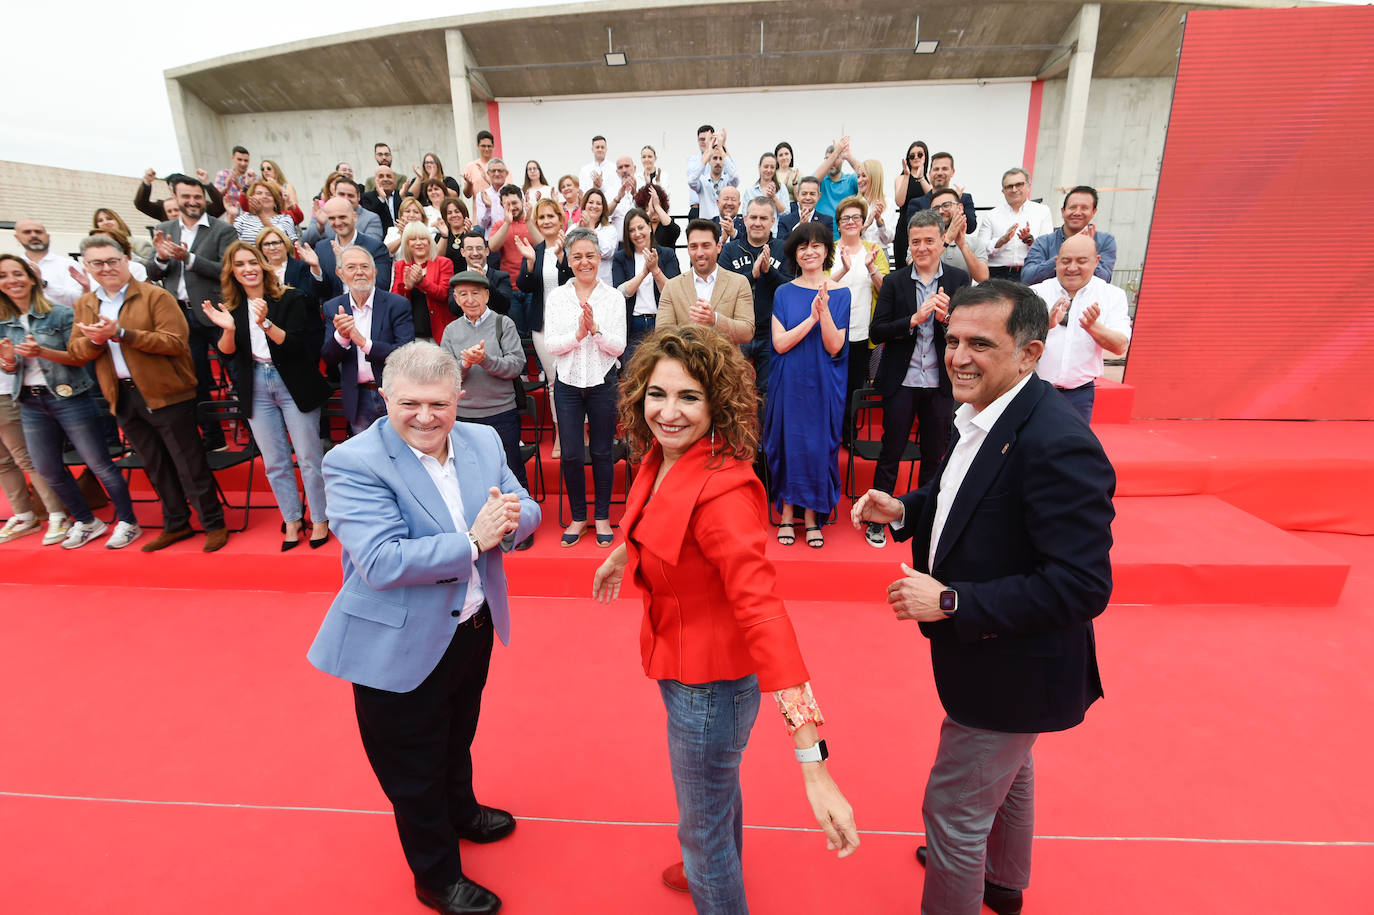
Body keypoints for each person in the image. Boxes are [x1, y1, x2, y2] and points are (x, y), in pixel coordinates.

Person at [851, 279, 1115, 915]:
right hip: (998, 670)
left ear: (1029, 354)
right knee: (1011, 771)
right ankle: (1001, 882)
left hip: (1015, 666)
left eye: (979, 344)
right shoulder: (982, 412)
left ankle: (974, 875)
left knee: (953, 811)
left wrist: (950, 603)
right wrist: (906, 509)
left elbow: (1082, 586)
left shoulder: (1058, 442)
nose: (958, 357)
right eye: (952, 341)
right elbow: (963, 499)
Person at [592, 325, 859, 911]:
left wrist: (812, 762)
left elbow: (764, 615)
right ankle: (712, 858)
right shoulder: (664, 457)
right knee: (714, 795)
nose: (669, 412)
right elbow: (656, 518)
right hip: (678, 661)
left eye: (689, 397)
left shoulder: (724, 494)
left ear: (718, 403)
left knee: (702, 825)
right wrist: (623, 553)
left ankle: (713, 873)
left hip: (709, 688)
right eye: (657, 394)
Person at [307, 340, 540, 915]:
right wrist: (472, 541)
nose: (426, 417)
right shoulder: (353, 462)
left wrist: (509, 521)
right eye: (409, 403)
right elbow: (382, 562)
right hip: (395, 641)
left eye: (439, 403)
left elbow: (525, 507)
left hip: (472, 625)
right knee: (411, 768)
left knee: (458, 732)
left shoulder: (482, 439)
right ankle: (436, 877)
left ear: (459, 397)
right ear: (383, 395)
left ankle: (460, 810)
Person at [67, 235, 229, 553]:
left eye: (112, 260)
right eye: (97, 263)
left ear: (126, 260)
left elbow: (174, 341)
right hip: (123, 394)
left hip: (167, 392)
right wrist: (96, 341)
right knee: (154, 464)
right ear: (86, 266)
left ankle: (213, 522)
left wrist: (122, 334)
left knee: (189, 462)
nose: (106, 268)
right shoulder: (85, 303)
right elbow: (75, 351)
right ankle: (176, 524)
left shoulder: (155, 296)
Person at [201, 242, 332, 550]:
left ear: (263, 265)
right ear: (232, 272)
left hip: (292, 383)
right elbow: (227, 355)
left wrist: (266, 323)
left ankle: (321, 517)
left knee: (309, 457)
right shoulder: (231, 306)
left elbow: (297, 345)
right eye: (240, 264)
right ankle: (292, 518)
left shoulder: (289, 298)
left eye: (252, 262)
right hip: (255, 384)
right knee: (274, 461)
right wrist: (229, 330)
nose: (247, 269)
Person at [866, 210, 973, 548]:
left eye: (930, 240)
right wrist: (912, 319)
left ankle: (926, 517)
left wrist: (947, 320)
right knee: (891, 450)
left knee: (935, 454)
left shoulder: (958, 280)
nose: (923, 247)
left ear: (943, 241)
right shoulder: (896, 281)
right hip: (902, 381)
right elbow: (877, 329)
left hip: (942, 382)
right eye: (916, 242)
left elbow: (967, 331)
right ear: (909, 245)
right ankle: (877, 518)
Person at [764, 222, 849, 549]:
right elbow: (780, 343)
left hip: (823, 384)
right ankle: (787, 514)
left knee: (816, 447)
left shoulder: (840, 293)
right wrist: (811, 318)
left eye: (816, 245)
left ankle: (813, 517)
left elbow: (834, 346)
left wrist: (824, 312)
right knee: (789, 444)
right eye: (803, 246)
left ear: (826, 250)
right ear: (794, 254)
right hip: (790, 382)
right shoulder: (783, 292)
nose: (810, 251)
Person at [440, 270, 535, 551]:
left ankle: (520, 527)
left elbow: (516, 365)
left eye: (475, 293)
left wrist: (486, 360)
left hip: (501, 411)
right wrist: (465, 365)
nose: (470, 300)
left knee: (513, 469)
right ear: (456, 299)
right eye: (463, 294)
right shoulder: (451, 331)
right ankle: (478, 528)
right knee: (467, 474)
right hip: (464, 415)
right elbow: (446, 375)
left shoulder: (503, 324)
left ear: (486, 295)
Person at [542, 226, 625, 548]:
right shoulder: (558, 297)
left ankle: (602, 516)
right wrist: (578, 334)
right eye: (577, 256)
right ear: (568, 259)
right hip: (568, 383)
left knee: (603, 452)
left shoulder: (613, 296)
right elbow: (551, 344)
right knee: (573, 454)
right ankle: (579, 517)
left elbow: (618, 346)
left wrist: (596, 330)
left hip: (604, 381)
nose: (584, 262)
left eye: (590, 255)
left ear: (599, 257)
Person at [145, 175, 238, 453]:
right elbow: (152, 273)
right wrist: (162, 258)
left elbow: (227, 268)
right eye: (186, 197)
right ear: (175, 197)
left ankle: (257, 436)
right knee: (193, 379)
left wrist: (190, 259)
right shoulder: (165, 228)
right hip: (178, 315)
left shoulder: (221, 229)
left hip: (217, 313)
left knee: (237, 373)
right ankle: (213, 436)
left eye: (198, 197)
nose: (193, 202)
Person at [0, 256, 84, 547]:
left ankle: (58, 513)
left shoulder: (51, 314)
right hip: (18, 389)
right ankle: (25, 515)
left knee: (28, 459)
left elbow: (75, 356)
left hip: (20, 393)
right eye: (3, 276)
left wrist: (11, 361)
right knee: (5, 462)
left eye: (16, 274)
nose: (10, 280)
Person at [1029, 234, 1132, 423]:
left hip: (1079, 394)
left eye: (1081, 261)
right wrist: (1047, 325)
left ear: (1096, 261)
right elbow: (1016, 342)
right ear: (1056, 261)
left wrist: (1093, 328)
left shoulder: (1111, 295)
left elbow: (1120, 346)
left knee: (1072, 448)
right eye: (1066, 261)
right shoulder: (1036, 293)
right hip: (1035, 389)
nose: (1072, 268)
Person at [319, 246, 415, 435]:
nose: (359, 272)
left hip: (392, 392)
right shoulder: (333, 307)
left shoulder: (397, 304)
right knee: (366, 455)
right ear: (340, 273)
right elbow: (328, 357)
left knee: (401, 448)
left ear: (375, 271)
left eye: (365, 266)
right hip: (357, 396)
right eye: (351, 267)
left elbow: (405, 353)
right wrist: (342, 337)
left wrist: (364, 343)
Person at [830, 195, 890, 445]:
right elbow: (817, 286)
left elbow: (886, 290)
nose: (851, 222)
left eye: (856, 217)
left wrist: (871, 268)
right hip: (832, 331)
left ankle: (849, 434)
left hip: (861, 332)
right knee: (832, 386)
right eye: (846, 218)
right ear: (838, 222)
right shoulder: (828, 250)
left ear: (863, 221)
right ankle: (830, 431)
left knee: (854, 385)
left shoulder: (874, 251)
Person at [514, 200, 571, 456]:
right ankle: (560, 435)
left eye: (551, 216)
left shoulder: (572, 247)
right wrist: (528, 263)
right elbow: (524, 287)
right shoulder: (533, 250)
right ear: (536, 222)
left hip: (571, 326)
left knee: (576, 380)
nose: (547, 221)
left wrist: (562, 258)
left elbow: (575, 279)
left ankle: (581, 434)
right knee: (552, 383)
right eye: (542, 217)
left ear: (561, 220)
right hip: (543, 327)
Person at [720, 197, 791, 400]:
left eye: (763, 218)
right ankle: (738, 433)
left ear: (773, 221)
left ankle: (766, 433)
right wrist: (753, 274)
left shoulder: (783, 249)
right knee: (734, 390)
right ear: (744, 219)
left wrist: (769, 272)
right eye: (753, 217)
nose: (758, 222)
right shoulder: (730, 250)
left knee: (768, 392)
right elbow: (723, 289)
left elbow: (790, 289)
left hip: (771, 332)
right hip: (737, 332)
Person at [655, 220, 753, 344]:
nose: (699, 253)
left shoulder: (739, 283)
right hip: (685, 361)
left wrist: (715, 320)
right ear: (688, 249)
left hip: (727, 362)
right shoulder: (672, 286)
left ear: (718, 247)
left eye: (706, 246)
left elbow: (747, 333)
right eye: (694, 246)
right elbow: (662, 334)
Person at [612, 207, 680, 367]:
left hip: (662, 322)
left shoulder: (667, 254)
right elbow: (621, 292)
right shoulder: (620, 258)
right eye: (632, 230)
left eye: (641, 227)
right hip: (633, 325)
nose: (637, 233)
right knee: (633, 378)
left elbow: (673, 292)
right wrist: (643, 273)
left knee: (662, 374)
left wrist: (655, 270)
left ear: (650, 226)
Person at [298, 196, 394, 300]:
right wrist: (315, 268)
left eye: (342, 217)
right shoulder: (322, 248)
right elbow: (321, 293)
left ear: (355, 216)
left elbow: (381, 286)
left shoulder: (375, 247)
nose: (338, 222)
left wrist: (345, 262)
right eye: (332, 218)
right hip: (335, 313)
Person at [1020, 186, 1118, 285]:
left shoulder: (1105, 241)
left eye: (1084, 208)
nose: (1077, 212)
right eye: (1073, 207)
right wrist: (1063, 257)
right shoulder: (1044, 242)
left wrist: (1086, 251)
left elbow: (1104, 278)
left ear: (1093, 212)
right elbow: (1027, 277)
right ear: (1063, 211)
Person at [975, 168, 1053, 281]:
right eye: (1009, 186)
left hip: (1030, 272)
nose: (1014, 189)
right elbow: (980, 248)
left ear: (1028, 186)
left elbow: (1048, 247)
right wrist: (1000, 241)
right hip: (997, 274)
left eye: (1019, 184)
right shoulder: (991, 215)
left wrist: (1030, 240)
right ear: (1003, 191)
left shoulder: (1042, 211)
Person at [393, 221, 456, 343]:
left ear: (429, 241)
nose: (418, 243)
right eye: (412, 239)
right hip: (411, 335)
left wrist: (422, 282)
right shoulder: (400, 266)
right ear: (406, 244)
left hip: (439, 334)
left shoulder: (444, 263)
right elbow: (395, 303)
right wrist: (407, 288)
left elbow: (444, 294)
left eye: (423, 238)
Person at [13, 219, 84, 308]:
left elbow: (79, 300)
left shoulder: (68, 265)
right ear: (17, 238)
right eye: (27, 232)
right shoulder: (13, 267)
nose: (34, 235)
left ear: (48, 236)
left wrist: (44, 284)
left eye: (38, 232)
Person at [303, 178, 384, 246]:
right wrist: (320, 226)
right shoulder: (323, 212)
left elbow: (372, 246)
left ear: (358, 197)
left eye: (350, 195)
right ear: (334, 194)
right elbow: (305, 241)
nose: (346, 198)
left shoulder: (371, 218)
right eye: (341, 194)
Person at [931, 188, 989, 283]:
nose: (941, 211)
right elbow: (916, 270)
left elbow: (983, 278)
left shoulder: (975, 243)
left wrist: (963, 246)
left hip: (964, 297)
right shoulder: (921, 241)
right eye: (935, 208)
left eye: (946, 205)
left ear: (960, 207)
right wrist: (947, 239)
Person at [451, 231, 512, 318]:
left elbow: (504, 306)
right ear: (463, 252)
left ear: (487, 251)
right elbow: (454, 309)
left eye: (479, 248)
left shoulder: (501, 277)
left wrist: (485, 281)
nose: (475, 253)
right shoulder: (456, 280)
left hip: (495, 328)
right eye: (470, 249)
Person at [135, 167, 225, 223]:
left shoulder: (197, 205)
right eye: (170, 211)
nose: (173, 213)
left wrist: (207, 183)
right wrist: (147, 182)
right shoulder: (164, 206)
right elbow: (141, 204)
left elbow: (221, 206)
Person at [812, 136, 861, 225]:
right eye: (828, 159)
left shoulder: (850, 180)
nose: (832, 162)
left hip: (845, 233)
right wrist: (836, 153)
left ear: (842, 160)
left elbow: (869, 177)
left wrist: (849, 157)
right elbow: (812, 181)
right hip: (822, 233)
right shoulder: (821, 180)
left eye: (836, 158)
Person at [575, 189, 619, 285]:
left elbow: (606, 252)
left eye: (598, 203)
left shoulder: (610, 230)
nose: (594, 206)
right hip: (580, 285)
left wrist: (590, 228)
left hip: (603, 284)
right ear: (584, 205)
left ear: (603, 208)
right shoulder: (574, 228)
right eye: (591, 202)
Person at [233, 179, 299, 243]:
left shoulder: (285, 218)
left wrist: (261, 214)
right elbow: (231, 241)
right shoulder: (243, 219)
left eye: (269, 194)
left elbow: (284, 240)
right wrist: (231, 216)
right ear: (251, 198)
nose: (264, 196)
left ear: (275, 200)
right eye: (259, 193)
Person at [687, 141, 739, 222]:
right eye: (715, 158)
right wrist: (707, 154)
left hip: (724, 225)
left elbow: (735, 177)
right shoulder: (702, 180)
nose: (718, 162)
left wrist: (722, 149)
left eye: (721, 158)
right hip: (706, 227)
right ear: (709, 160)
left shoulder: (728, 181)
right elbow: (691, 181)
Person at [856, 159, 893, 248]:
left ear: (874, 177)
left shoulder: (888, 203)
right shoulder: (854, 204)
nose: (859, 180)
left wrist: (879, 221)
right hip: (859, 253)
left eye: (864, 176)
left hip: (880, 253)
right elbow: (849, 236)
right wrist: (868, 223)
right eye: (858, 176)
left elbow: (888, 239)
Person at [744, 151, 790, 218]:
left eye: (772, 167)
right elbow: (746, 215)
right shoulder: (750, 191)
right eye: (766, 167)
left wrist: (774, 198)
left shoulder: (782, 188)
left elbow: (786, 212)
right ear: (759, 167)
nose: (769, 170)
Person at [634, 182, 679, 249]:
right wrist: (649, 213)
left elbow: (675, 230)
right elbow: (635, 231)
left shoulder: (666, 223)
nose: (654, 209)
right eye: (649, 205)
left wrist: (657, 205)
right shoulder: (643, 224)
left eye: (657, 204)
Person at [362, 165, 404, 233]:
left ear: (395, 180)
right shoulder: (367, 198)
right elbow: (369, 219)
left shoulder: (403, 195)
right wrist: (381, 199)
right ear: (375, 180)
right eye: (381, 176)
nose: (385, 179)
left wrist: (403, 198)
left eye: (389, 176)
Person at [473, 160, 509, 234]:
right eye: (493, 171)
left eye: (500, 170)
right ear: (488, 174)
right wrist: (488, 208)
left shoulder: (515, 192)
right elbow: (482, 225)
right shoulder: (482, 195)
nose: (496, 173)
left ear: (506, 173)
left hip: (512, 237)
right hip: (491, 239)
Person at [606, 156, 639, 231]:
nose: (624, 170)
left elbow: (647, 213)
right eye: (620, 167)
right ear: (617, 172)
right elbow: (605, 214)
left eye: (627, 166)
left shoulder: (643, 187)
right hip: (619, 240)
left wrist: (635, 194)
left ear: (634, 168)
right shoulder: (610, 192)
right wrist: (618, 198)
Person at [462, 129, 497, 199]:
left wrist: (488, 180)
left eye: (489, 146)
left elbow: (506, 190)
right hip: (478, 209)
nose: (486, 149)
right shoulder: (471, 166)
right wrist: (469, 184)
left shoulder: (500, 167)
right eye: (483, 146)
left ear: (493, 146)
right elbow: (467, 195)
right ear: (478, 146)